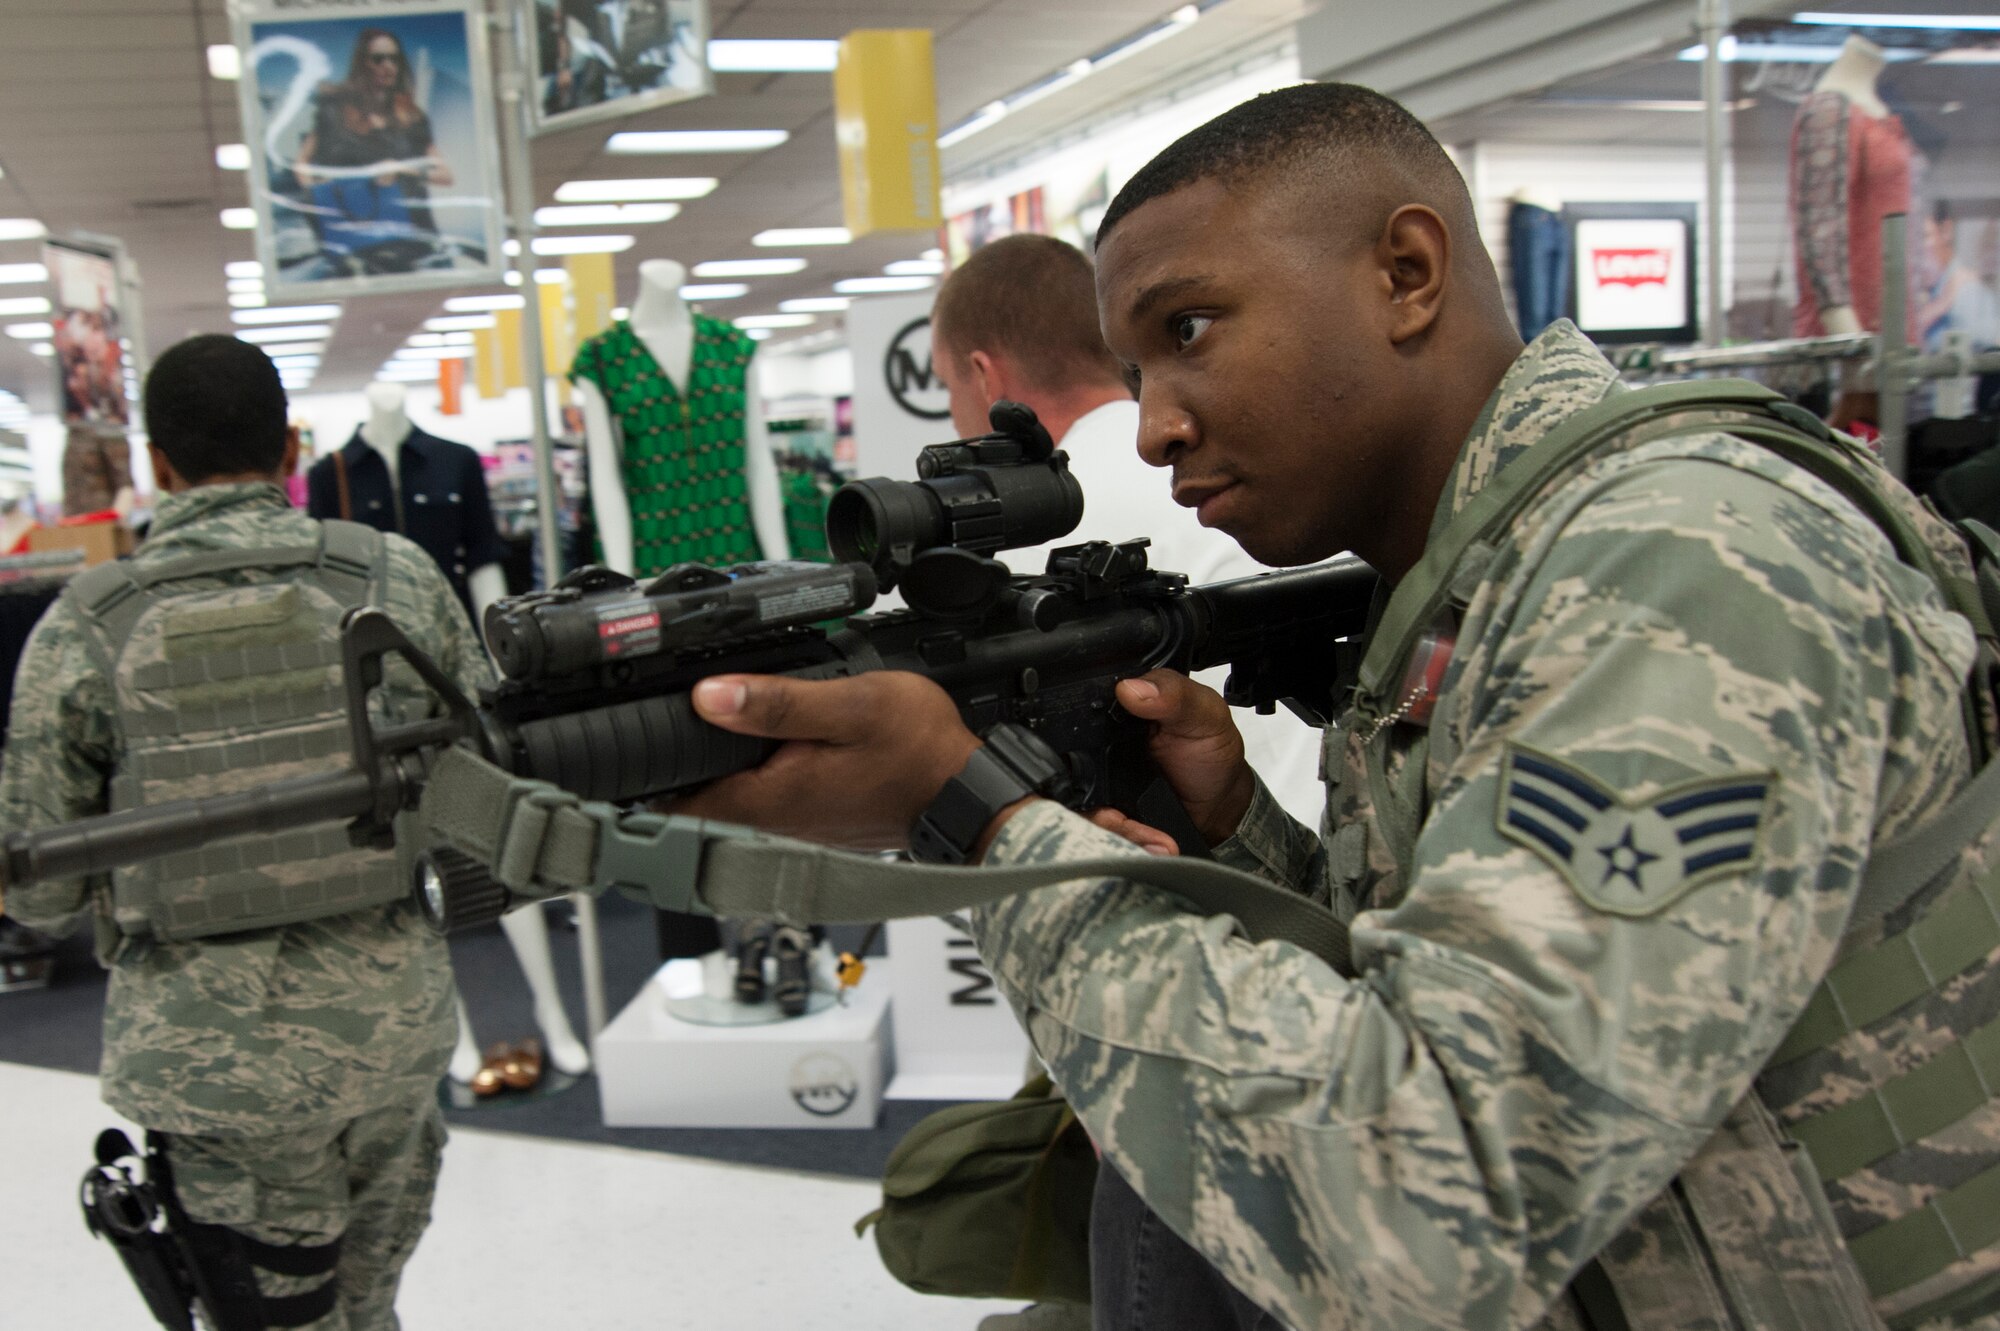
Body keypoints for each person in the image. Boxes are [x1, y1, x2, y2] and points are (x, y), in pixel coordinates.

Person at [668, 83, 1996, 1330]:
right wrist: (1239, 833)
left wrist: (970, 811)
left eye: (1188, 330)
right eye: (1133, 369)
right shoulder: (1487, 570)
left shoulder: (1676, 558)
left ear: (1405, 274)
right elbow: (1436, 1003)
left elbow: (1431, 1216)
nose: (1151, 428)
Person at [0, 335, 490, 1330]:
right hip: (387, 1030)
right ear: (291, 445)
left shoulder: (85, 627)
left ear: (155, 458)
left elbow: (39, 893)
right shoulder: (392, 576)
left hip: (207, 1060)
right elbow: (482, 791)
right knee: (369, 1305)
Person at [930, 232, 1323, 825]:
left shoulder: (1027, 527)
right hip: (1322, 840)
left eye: (946, 384)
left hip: (1224, 871)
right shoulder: (1223, 469)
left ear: (985, 378)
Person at [293, 28, 453, 270]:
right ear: (363, 63)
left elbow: (445, 176)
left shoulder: (411, 116)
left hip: (413, 239)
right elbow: (301, 163)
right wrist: (319, 193)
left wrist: (400, 169)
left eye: (394, 59)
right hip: (351, 240)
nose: (388, 66)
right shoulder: (335, 109)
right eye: (379, 59)